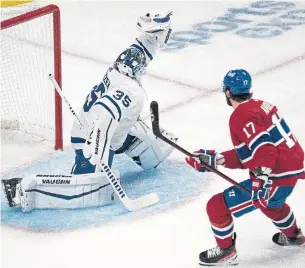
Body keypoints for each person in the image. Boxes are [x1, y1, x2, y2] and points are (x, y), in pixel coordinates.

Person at [2, 11, 177, 212]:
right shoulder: (131, 90)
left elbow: (144, 48)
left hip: (112, 127)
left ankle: (114, 149)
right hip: (89, 135)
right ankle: (26, 189)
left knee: (157, 152)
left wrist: (154, 32)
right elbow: (104, 114)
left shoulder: (123, 66)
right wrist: (98, 152)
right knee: (92, 189)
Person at [186, 69, 305, 266]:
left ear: (227, 92)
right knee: (273, 205)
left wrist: (261, 179)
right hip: (288, 171)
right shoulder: (263, 106)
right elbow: (253, 153)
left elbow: (264, 149)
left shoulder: (241, 115)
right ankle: (294, 236)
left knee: (217, 206)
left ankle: (226, 251)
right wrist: (216, 159)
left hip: (274, 176)